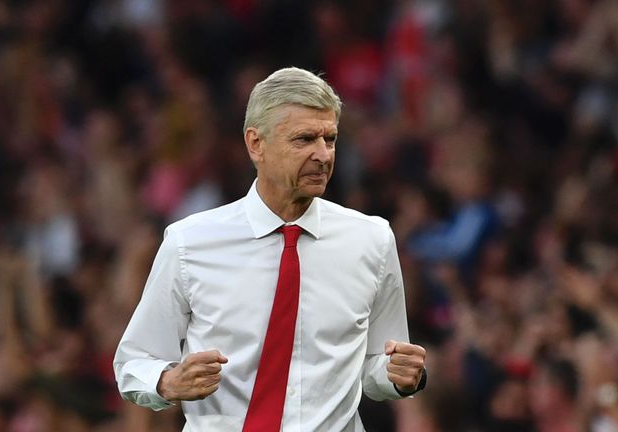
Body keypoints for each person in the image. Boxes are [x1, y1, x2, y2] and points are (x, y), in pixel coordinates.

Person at [113, 67, 427, 431]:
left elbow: (376, 367)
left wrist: (400, 377)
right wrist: (167, 382)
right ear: (255, 143)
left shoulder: (372, 239)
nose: (323, 155)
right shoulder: (189, 242)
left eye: (331, 139)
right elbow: (134, 361)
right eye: (304, 139)